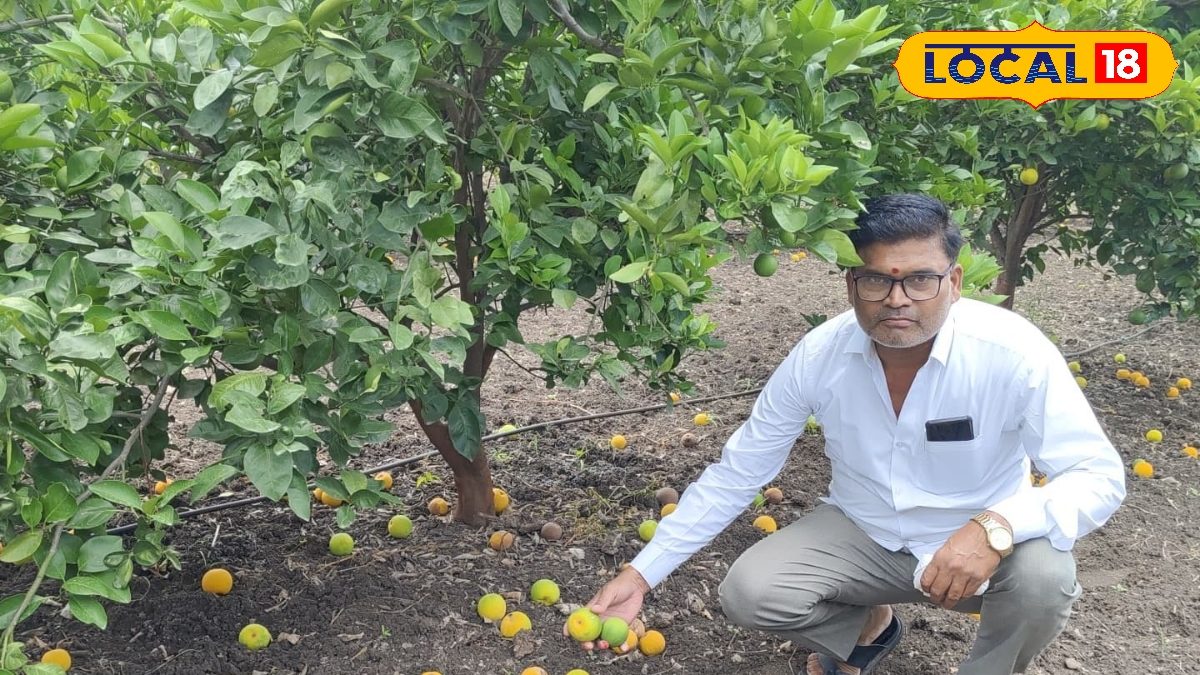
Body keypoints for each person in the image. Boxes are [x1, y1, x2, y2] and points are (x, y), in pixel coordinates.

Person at [570, 194, 1126, 675]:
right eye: (877, 279)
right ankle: (870, 626)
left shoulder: (1011, 352)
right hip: (866, 532)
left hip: (977, 545)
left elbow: (1097, 476)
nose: (897, 298)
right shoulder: (820, 355)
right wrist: (643, 574)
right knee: (751, 593)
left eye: (920, 279)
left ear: (953, 282)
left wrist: (996, 526)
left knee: (1044, 581)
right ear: (852, 283)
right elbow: (741, 471)